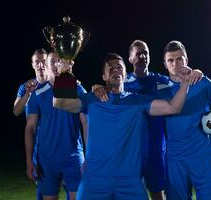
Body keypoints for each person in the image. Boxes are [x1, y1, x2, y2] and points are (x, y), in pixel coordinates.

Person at [53, 53, 190, 200]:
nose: (115, 70)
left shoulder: (136, 101)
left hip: (129, 181)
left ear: (125, 75)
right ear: (104, 76)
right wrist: (62, 74)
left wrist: (185, 82)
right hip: (95, 179)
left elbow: (173, 108)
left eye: (119, 67)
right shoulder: (92, 99)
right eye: (110, 69)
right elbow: (59, 103)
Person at [93, 40, 203, 200]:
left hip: (156, 145)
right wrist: (96, 87)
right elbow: (106, 88)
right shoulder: (123, 81)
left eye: (146, 53)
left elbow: (178, 84)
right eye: (138, 53)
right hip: (130, 148)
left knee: (157, 191)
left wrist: (195, 72)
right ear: (130, 59)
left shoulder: (161, 81)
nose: (143, 56)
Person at [159, 40, 211, 200]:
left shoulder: (202, 82)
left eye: (179, 59)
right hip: (174, 157)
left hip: (201, 153)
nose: (175, 63)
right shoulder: (159, 87)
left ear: (187, 60)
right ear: (165, 64)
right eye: (170, 60)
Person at [25, 50, 87, 200]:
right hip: (47, 159)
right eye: (51, 61)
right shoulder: (38, 93)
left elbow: (86, 123)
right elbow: (30, 128)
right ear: (46, 65)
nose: (55, 65)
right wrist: (29, 160)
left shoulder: (77, 89)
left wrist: (89, 155)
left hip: (73, 158)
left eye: (59, 61)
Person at [13, 48, 47, 200]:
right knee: (43, 189)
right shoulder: (26, 87)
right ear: (33, 65)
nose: (40, 65)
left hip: (58, 143)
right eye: (37, 62)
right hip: (37, 145)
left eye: (43, 61)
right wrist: (27, 94)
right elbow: (16, 111)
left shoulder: (58, 84)